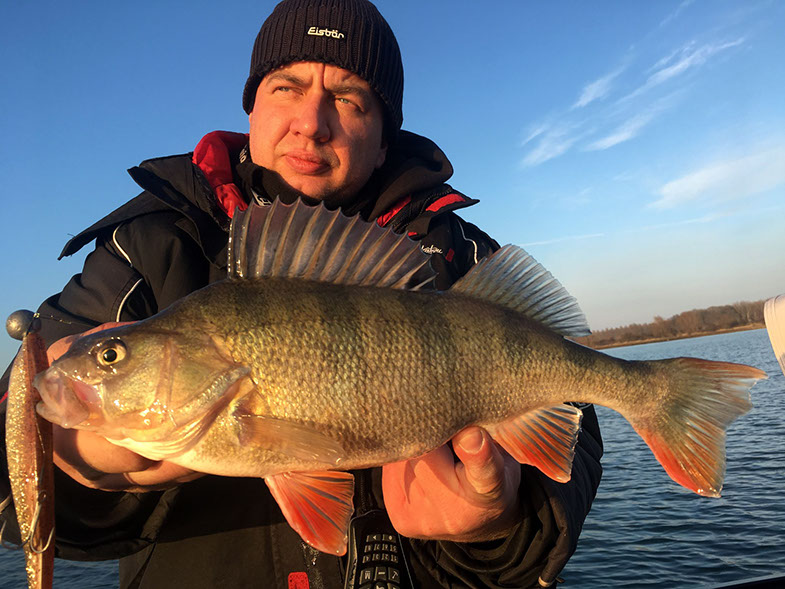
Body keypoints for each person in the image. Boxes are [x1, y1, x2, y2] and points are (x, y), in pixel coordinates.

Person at [0, 0, 603, 587]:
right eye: (286, 86)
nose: (312, 121)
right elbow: (6, 466)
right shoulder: (151, 247)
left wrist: (501, 523)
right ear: (253, 108)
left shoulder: (458, 255)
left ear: (384, 138)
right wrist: (60, 465)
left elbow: (574, 418)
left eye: (348, 98)